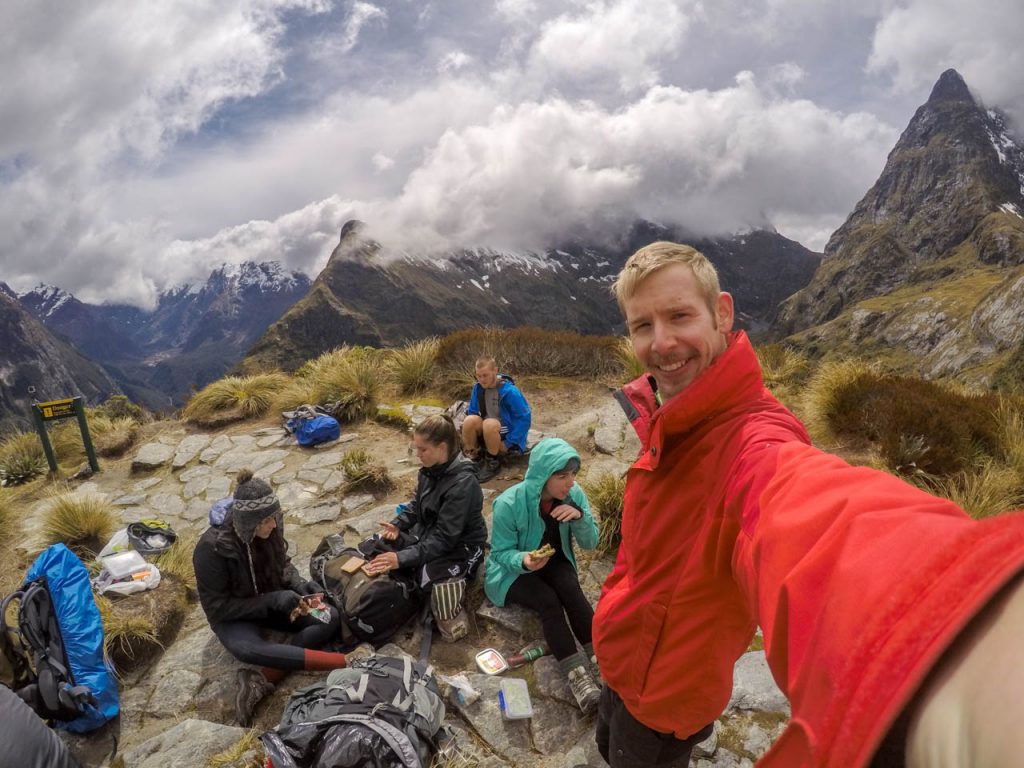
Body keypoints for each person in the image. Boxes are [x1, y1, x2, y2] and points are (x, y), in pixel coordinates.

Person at [589, 241, 1024, 768]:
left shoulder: (752, 441)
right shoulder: (669, 416)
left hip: (661, 704)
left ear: (721, 312)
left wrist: (955, 619)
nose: (662, 343)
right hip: (621, 663)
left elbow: (812, 515)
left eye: (680, 316)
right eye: (642, 326)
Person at [193, 469, 352, 727]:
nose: (275, 525)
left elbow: (283, 565)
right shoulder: (210, 550)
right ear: (248, 523)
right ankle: (344, 662)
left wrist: (301, 586)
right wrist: (272, 601)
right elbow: (217, 608)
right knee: (246, 649)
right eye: (267, 521)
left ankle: (260, 681)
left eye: (274, 518)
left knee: (328, 617)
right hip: (235, 616)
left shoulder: (272, 524)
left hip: (274, 599)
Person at [485, 437, 601, 713]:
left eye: (573, 474)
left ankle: (602, 662)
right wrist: (524, 560)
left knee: (571, 588)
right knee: (549, 601)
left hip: (553, 560)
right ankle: (578, 679)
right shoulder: (508, 503)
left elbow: (590, 543)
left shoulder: (574, 495)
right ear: (541, 476)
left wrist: (579, 517)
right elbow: (500, 552)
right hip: (511, 572)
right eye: (562, 476)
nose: (570, 482)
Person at [363, 414, 487, 642]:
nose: (417, 455)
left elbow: (445, 540)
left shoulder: (463, 484)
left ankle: (447, 605)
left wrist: (401, 558)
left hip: (462, 547)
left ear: (442, 448)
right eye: (416, 449)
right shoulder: (431, 470)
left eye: (423, 450)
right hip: (429, 534)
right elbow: (416, 506)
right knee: (374, 544)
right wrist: (397, 525)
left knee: (425, 577)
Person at [461, 355, 532, 482]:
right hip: (488, 430)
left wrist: (509, 442)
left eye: (485, 375)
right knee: (469, 420)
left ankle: (492, 462)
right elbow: (472, 412)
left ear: (495, 370)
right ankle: (476, 457)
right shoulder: (477, 388)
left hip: (505, 433)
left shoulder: (510, 391)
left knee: (489, 423)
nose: (482, 380)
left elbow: (524, 418)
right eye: (479, 376)